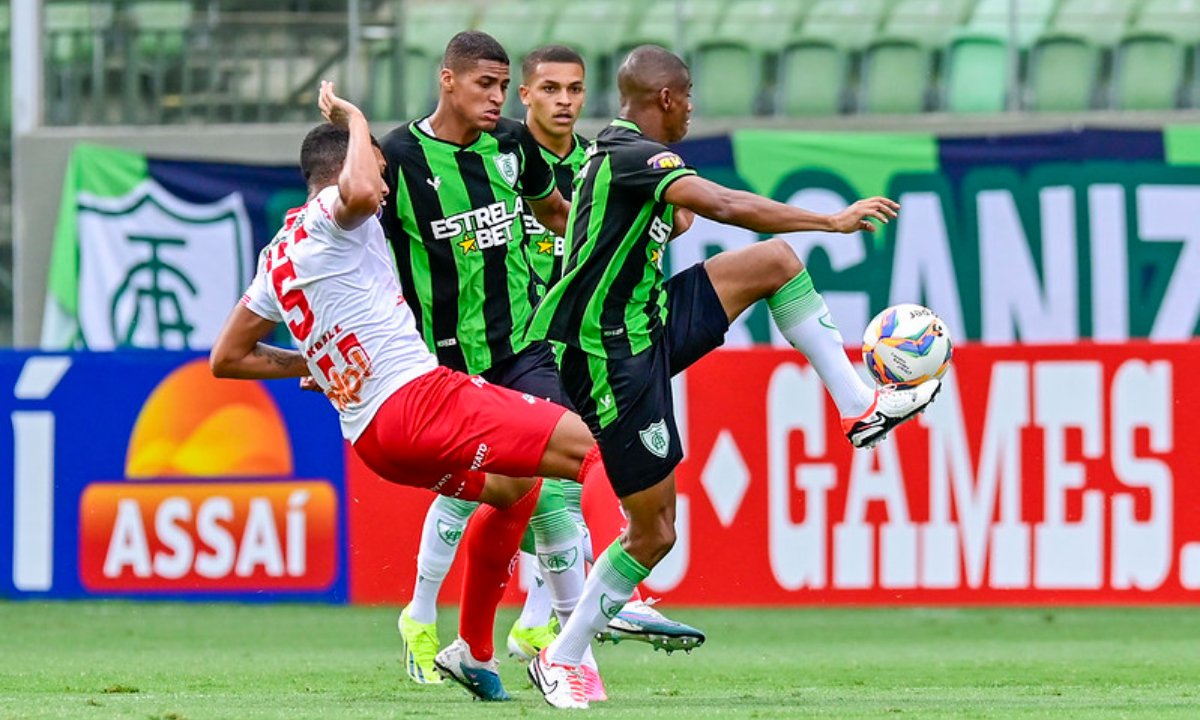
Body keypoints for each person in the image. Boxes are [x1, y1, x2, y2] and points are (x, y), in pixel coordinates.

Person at [524, 45, 941, 710]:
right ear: (666, 98)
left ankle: (859, 405)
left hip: (648, 324)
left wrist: (671, 213)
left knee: (774, 262)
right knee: (654, 533)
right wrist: (829, 220)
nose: (691, 108)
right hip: (610, 356)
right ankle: (561, 657)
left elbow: (683, 212)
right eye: (687, 97)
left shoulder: (629, 160)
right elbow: (717, 203)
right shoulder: (632, 155)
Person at [209, 82, 608, 704]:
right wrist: (358, 117)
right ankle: (600, 619)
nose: (389, 190)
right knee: (592, 445)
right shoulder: (333, 214)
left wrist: (312, 365)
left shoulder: (275, 255)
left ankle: (473, 653)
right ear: (344, 170)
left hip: (374, 441)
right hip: (421, 401)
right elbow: (364, 190)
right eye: (379, 171)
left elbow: (226, 358)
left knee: (516, 491)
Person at [376, 31, 601, 699]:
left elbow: (553, 210)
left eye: (503, 86)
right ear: (447, 81)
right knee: (510, 488)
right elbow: (356, 250)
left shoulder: (511, 145)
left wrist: (600, 256)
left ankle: (560, 645)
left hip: (518, 348)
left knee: (568, 456)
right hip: (442, 368)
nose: (497, 98)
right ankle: (472, 640)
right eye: (484, 85)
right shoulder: (398, 158)